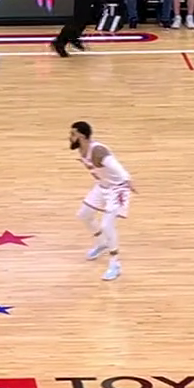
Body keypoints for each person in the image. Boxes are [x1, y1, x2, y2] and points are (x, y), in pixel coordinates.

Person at [70, 120, 133, 281]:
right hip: (102, 186)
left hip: (118, 189)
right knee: (84, 215)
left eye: (73, 134)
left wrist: (127, 179)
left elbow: (117, 167)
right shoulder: (82, 149)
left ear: (82, 136)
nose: (70, 137)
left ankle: (115, 264)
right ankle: (101, 243)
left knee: (107, 225)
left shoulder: (98, 151)